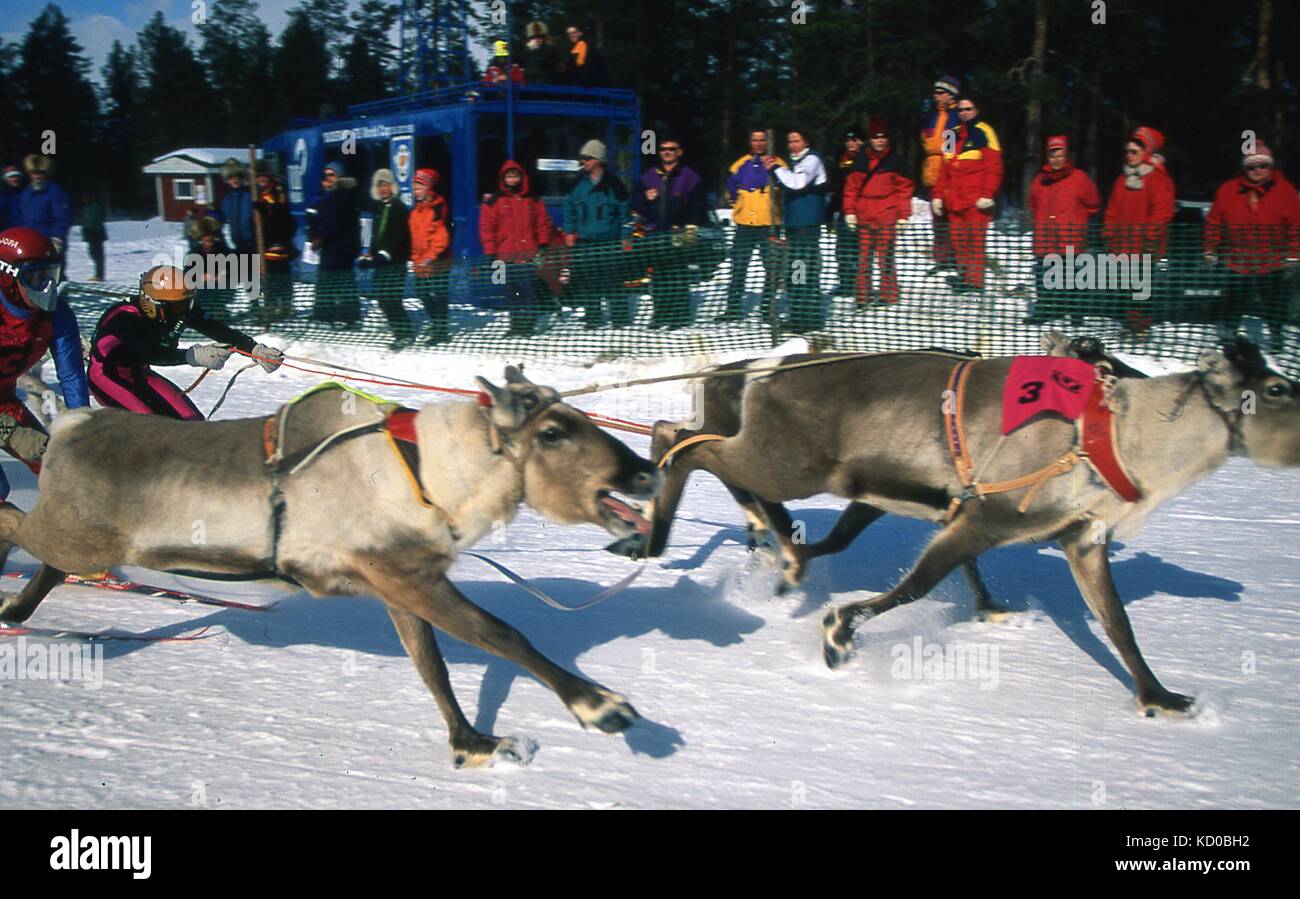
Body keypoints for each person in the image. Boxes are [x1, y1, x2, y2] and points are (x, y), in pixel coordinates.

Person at [88, 264, 283, 421]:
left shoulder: (178, 310)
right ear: (151, 304)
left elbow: (216, 329)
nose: (183, 311)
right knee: (150, 426)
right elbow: (150, 353)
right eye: (176, 307)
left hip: (140, 373)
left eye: (186, 304)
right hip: (107, 376)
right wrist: (193, 356)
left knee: (193, 422)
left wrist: (254, 349)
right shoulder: (124, 318)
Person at [0, 227, 88, 506]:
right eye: (36, 277)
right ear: (7, 277)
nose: (47, 287)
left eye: (51, 275)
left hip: (4, 401)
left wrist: (80, 428)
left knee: (58, 471)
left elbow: (71, 375)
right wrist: (7, 429)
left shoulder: (57, 315)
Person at [1203, 141, 1300, 352]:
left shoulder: (1285, 190)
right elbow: (1215, 221)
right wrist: (1210, 248)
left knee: (1275, 302)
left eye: (1262, 166)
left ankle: (1276, 336)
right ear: (1244, 168)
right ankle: (1229, 335)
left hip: (1272, 261)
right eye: (1251, 167)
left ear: (1270, 166)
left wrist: (1293, 254)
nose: (1257, 171)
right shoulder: (1229, 190)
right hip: (1237, 260)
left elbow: (1295, 224)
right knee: (1233, 301)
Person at [630, 135, 709, 329]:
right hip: (655, 234)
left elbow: (699, 206)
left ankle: (679, 317)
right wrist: (645, 198)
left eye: (672, 149)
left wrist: (692, 225)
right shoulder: (649, 176)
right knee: (659, 277)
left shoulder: (689, 177)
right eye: (664, 149)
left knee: (678, 277)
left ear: (679, 152)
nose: (667, 152)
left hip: (678, 235)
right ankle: (660, 315)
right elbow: (634, 204)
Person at [1102, 126, 1176, 332]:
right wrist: (1108, 235)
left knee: (1142, 288)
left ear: (1147, 153)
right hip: (1122, 246)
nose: (1129, 155)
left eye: (1134, 151)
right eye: (1127, 151)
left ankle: (1142, 325)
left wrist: (1150, 239)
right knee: (1126, 286)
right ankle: (1130, 322)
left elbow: (1162, 212)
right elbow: (1112, 210)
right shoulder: (1122, 180)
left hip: (1145, 247)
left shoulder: (1159, 179)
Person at [1025, 135, 1101, 324]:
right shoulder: (1040, 180)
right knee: (1044, 276)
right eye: (1052, 155)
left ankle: (1075, 313)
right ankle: (1044, 310)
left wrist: (1076, 220)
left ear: (1066, 155)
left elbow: (1093, 204)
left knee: (1073, 277)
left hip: (1071, 238)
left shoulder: (1080, 178)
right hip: (1045, 238)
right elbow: (1033, 203)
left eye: (1060, 155)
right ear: (1047, 157)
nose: (1056, 159)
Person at [479, 160, 557, 336]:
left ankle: (528, 324)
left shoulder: (533, 199)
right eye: (509, 176)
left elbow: (542, 223)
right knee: (510, 290)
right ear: (503, 179)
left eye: (515, 176)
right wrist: (490, 252)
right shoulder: (494, 201)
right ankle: (516, 324)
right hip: (503, 256)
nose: (512, 180)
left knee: (528, 289)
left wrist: (543, 244)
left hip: (528, 254)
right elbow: (486, 227)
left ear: (521, 177)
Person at [842, 116, 914, 307]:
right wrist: (849, 212)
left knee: (886, 258)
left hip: (887, 216)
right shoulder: (860, 159)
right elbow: (851, 189)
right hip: (864, 216)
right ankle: (863, 296)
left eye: (882, 137)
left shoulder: (896, 160)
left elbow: (904, 190)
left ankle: (888, 295)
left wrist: (903, 216)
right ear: (870, 140)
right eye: (875, 137)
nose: (879, 141)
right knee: (863, 259)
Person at [933, 97, 1002, 294]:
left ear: (976, 109)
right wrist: (938, 195)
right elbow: (943, 170)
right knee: (958, 241)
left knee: (974, 241)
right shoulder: (950, 135)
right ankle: (965, 278)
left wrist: (988, 194)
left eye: (969, 109)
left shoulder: (985, 131)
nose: (964, 112)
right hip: (954, 201)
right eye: (961, 109)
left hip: (976, 202)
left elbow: (994, 167)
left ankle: (975, 282)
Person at [563, 139, 630, 328]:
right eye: (582, 158)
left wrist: (626, 237)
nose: (583, 162)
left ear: (598, 160)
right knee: (589, 282)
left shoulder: (614, 184)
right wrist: (569, 231)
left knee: (613, 282)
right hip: (585, 242)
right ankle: (593, 319)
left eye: (587, 158)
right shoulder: (576, 183)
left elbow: (625, 213)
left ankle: (620, 320)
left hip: (610, 242)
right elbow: (568, 206)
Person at [766, 129, 829, 331]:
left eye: (796, 141)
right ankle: (798, 315)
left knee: (805, 272)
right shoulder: (795, 163)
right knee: (795, 273)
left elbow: (797, 183)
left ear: (806, 142)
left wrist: (775, 167)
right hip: (794, 227)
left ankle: (809, 318)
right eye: (789, 141)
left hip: (807, 229)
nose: (792, 145)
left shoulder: (812, 160)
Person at [725, 130, 787, 321]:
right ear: (750, 142)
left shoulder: (779, 163)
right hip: (745, 224)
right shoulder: (739, 164)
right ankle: (733, 309)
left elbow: (788, 187)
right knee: (739, 267)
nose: (759, 143)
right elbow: (730, 190)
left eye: (762, 140)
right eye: (755, 140)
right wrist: (739, 204)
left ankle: (768, 309)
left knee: (772, 268)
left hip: (769, 224)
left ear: (768, 141)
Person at [359, 168, 414, 349]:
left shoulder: (400, 208)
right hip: (382, 263)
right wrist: (370, 254)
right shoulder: (380, 208)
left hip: (395, 263)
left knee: (392, 298)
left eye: (387, 185)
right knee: (382, 299)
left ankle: (405, 334)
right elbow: (377, 236)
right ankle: (398, 331)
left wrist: (385, 254)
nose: (384, 189)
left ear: (393, 186)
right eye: (380, 185)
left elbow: (400, 236)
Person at [307, 160, 360, 325]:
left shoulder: (341, 195)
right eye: (326, 175)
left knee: (340, 281)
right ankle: (328, 313)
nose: (328, 178)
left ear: (339, 176)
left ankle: (346, 315)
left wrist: (321, 238)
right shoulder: (328, 194)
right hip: (332, 245)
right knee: (329, 280)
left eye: (332, 174)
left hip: (340, 246)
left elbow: (334, 223)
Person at [920, 76, 961, 275]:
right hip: (932, 171)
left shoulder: (956, 116)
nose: (936, 96)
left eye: (941, 92)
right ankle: (942, 258)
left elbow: (950, 147)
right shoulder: (931, 116)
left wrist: (934, 146)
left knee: (951, 215)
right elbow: (924, 139)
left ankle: (955, 258)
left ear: (951, 94)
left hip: (949, 171)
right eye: (935, 92)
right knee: (937, 219)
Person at [408, 168, 452, 344]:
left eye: (419, 187)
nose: (415, 190)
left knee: (439, 294)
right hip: (421, 262)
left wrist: (431, 257)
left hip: (438, 260)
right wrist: (415, 259)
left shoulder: (438, 207)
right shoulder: (415, 211)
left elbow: (442, 236)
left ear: (428, 187)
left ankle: (441, 330)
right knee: (422, 292)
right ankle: (437, 323)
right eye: (414, 187)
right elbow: (415, 238)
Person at [251, 159, 297, 323]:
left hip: (277, 241)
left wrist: (262, 208)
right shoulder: (261, 192)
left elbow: (277, 213)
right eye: (258, 176)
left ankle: (283, 305)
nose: (261, 179)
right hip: (267, 243)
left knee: (279, 277)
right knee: (270, 277)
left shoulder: (274, 190)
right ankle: (274, 305)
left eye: (264, 175)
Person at [14, 155, 71, 261]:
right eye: (34, 173)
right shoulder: (25, 192)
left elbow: (62, 218)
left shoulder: (55, 192)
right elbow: (20, 217)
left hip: (48, 243)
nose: (38, 176)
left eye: (41, 173)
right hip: (29, 244)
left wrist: (57, 238)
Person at [830, 127, 865, 297]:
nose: (851, 143)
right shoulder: (841, 160)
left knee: (860, 249)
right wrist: (830, 211)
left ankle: (860, 283)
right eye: (848, 140)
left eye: (855, 140)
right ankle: (845, 282)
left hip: (863, 211)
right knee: (843, 249)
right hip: (844, 211)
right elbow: (836, 189)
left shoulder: (867, 159)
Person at [187, 213, 235, 320]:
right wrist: (203, 277)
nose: (209, 242)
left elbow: (232, 265)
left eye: (211, 239)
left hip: (222, 288)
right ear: (201, 238)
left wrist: (224, 273)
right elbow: (188, 276)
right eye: (207, 239)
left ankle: (219, 310)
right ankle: (205, 312)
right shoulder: (194, 253)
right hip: (202, 290)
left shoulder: (222, 249)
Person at [219, 159, 255, 257]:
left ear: (242, 177)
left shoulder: (251, 196)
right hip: (237, 245)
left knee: (254, 272)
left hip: (254, 246)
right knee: (241, 271)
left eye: (238, 176)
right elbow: (221, 220)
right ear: (227, 179)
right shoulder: (226, 200)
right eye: (231, 177)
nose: (235, 179)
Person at [79, 191, 107, 282]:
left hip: (96, 234)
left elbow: (95, 221)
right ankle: (98, 274)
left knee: (98, 255)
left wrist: (91, 231)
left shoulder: (95, 207)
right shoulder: (87, 207)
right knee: (93, 254)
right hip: (91, 234)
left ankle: (99, 275)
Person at [0, 166, 24, 231]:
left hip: (22, 230)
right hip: (6, 232)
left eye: (16, 176)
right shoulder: (3, 195)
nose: (15, 179)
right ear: (6, 179)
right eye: (11, 177)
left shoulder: (25, 193)